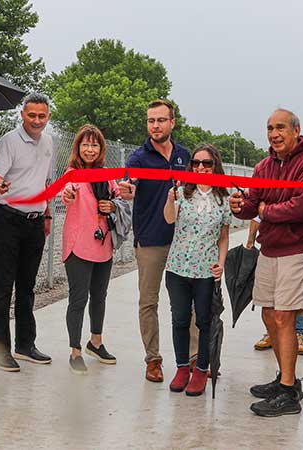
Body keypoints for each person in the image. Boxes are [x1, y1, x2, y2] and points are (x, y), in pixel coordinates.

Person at [230, 108, 303, 417]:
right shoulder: (263, 165)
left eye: (281, 127)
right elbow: (251, 205)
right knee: (270, 315)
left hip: (297, 249)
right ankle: (287, 380)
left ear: (297, 130)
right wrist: (240, 206)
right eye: (270, 128)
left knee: (285, 318)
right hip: (269, 248)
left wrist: (264, 210)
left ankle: (287, 394)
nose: (274, 133)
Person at [118, 99, 196, 383]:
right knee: (148, 303)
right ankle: (153, 360)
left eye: (161, 120)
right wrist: (127, 189)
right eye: (151, 120)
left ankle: (195, 361)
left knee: (187, 305)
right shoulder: (138, 158)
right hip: (150, 241)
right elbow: (129, 183)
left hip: (184, 242)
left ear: (172, 123)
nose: (155, 125)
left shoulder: (186, 156)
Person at [0, 93, 54, 372]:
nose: (37, 121)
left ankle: (25, 344)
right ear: (22, 115)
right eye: (32, 115)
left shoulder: (49, 141)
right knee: (4, 285)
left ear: (48, 116)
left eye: (42, 116)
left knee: (27, 286)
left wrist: (48, 214)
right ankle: (0, 349)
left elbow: (47, 181)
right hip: (8, 220)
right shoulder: (9, 141)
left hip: (36, 222)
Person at [163, 144, 230, 395]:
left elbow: (223, 237)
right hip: (178, 267)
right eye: (196, 163)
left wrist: (220, 264)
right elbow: (169, 219)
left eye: (207, 163)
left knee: (204, 321)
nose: (200, 167)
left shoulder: (222, 198)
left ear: (215, 166)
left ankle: (201, 369)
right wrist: (170, 200)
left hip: (205, 270)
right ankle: (182, 367)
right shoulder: (181, 192)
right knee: (180, 319)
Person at [61, 125, 121, 375]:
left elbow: (119, 198)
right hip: (78, 244)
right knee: (78, 298)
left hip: (102, 243)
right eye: (85, 144)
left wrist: (114, 205)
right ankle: (75, 350)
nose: (89, 149)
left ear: (100, 149)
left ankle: (95, 342)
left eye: (94, 145)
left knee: (100, 295)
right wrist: (68, 195)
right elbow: (67, 194)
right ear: (78, 147)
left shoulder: (107, 174)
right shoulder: (72, 174)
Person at [249, 217, 303, 356]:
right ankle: (272, 333)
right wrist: (250, 241)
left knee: (293, 298)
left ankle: (298, 333)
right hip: (270, 246)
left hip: (295, 247)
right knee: (270, 300)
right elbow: (256, 215)